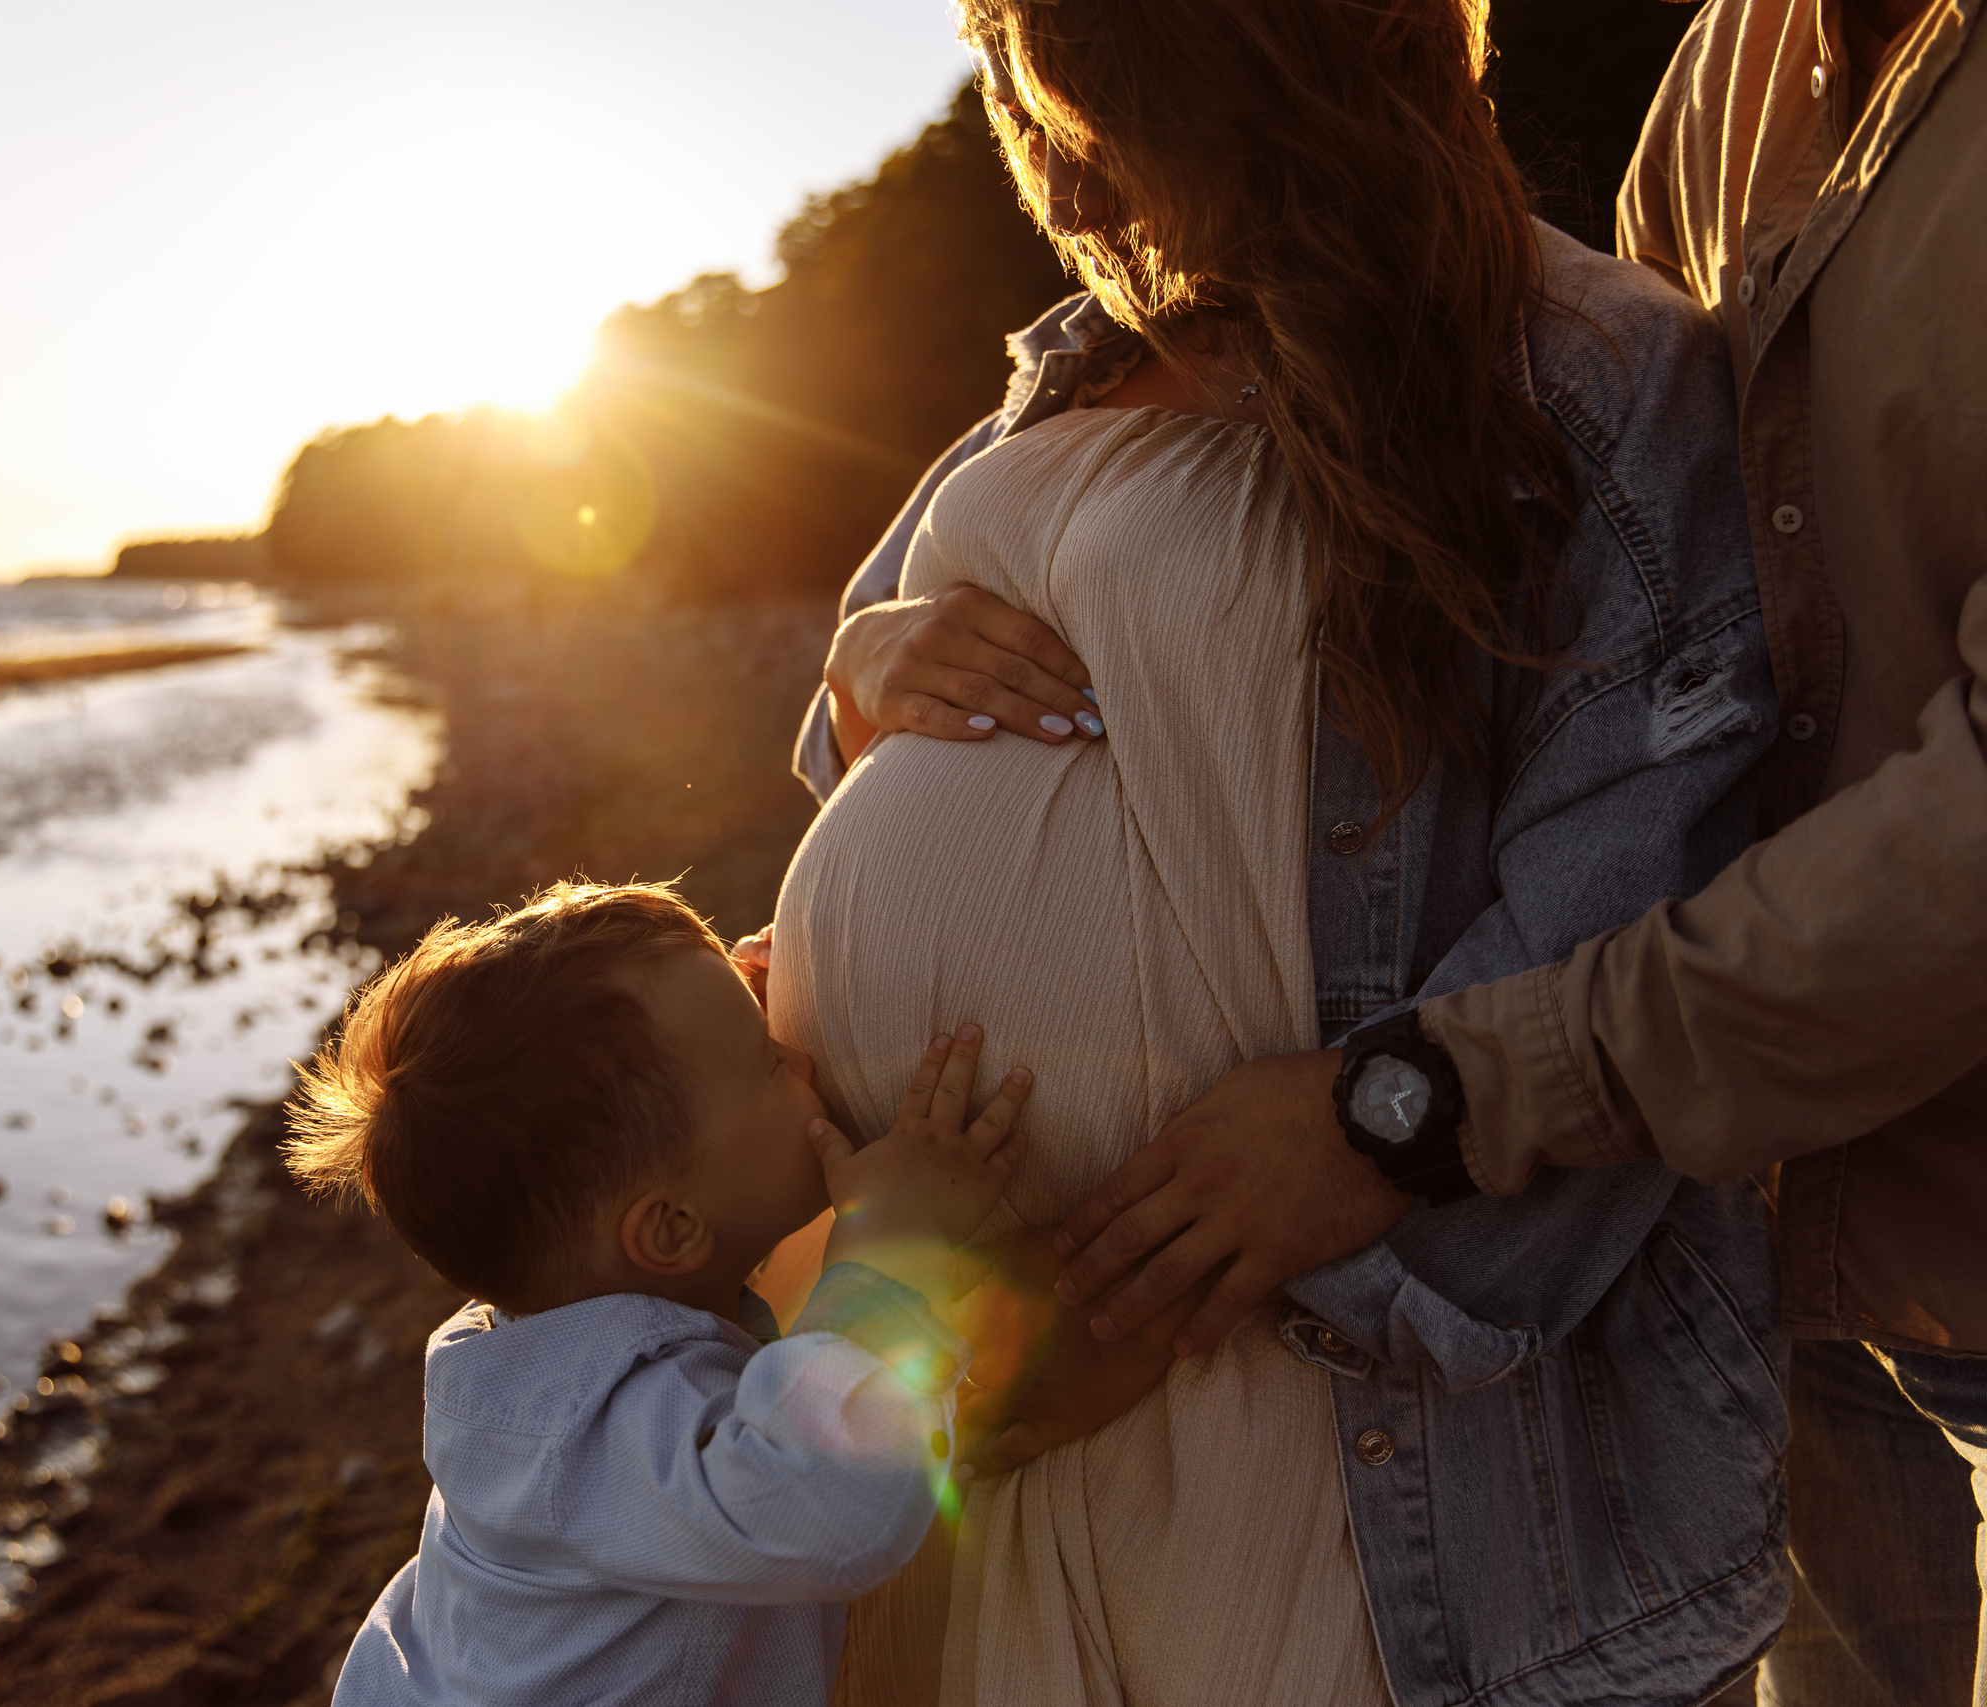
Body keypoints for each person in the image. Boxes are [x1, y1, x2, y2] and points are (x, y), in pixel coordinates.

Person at [753, 0, 1788, 1700]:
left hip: (1340, 1420)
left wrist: (1367, 1154)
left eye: (1099, 113)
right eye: (1031, 104)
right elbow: (861, 725)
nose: (1070, 179)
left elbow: (1638, 912)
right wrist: (861, 666)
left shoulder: (1581, 377)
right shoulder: (1065, 367)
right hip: (987, 1393)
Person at [1006, 0, 1987, 1699]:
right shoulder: (1740, 69)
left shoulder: (1605, 337)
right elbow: (1686, 623)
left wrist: (1422, 1104)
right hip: (1800, 1220)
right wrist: (882, 666)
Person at [284, 880, 1037, 1707]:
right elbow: (825, 1504)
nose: (803, 1056)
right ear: (673, 1230)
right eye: (767, 1059)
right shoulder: (600, 1430)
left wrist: (731, 1011)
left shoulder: (527, 1345)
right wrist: (895, 1247)